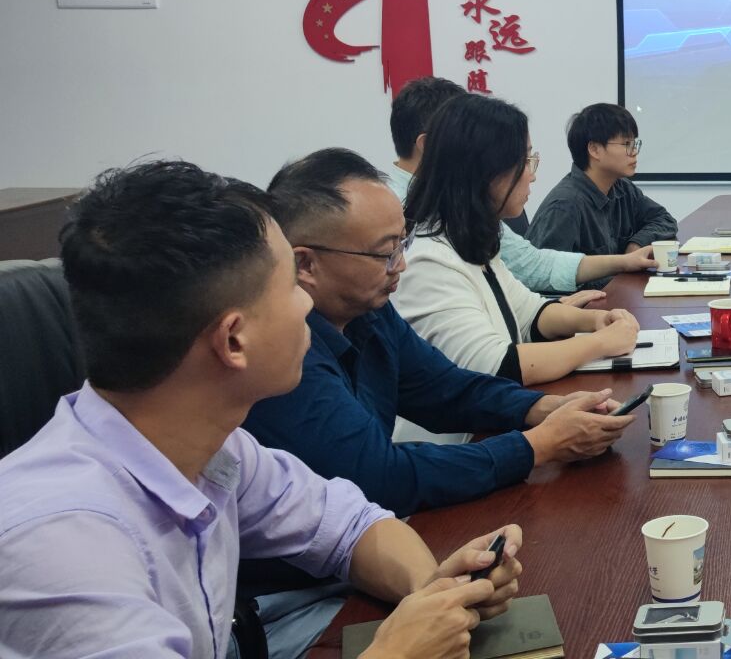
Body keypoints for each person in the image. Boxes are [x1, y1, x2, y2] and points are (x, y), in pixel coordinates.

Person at [0, 161, 522, 659]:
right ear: (233, 340)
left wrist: (432, 592)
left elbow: (352, 526)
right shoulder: (66, 550)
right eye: (289, 285)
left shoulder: (216, 447)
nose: (307, 303)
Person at [248, 147, 637, 518]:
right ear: (305, 265)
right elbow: (378, 476)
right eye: (385, 253)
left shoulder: (369, 311)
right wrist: (539, 445)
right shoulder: (285, 351)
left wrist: (542, 408)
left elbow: (443, 388)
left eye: (402, 242)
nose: (401, 264)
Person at [392, 95, 643, 386]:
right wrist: (600, 343)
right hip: (473, 415)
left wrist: (594, 321)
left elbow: (528, 312)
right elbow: (495, 364)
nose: (532, 176)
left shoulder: (471, 239)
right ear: (483, 171)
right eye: (524, 161)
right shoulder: (429, 259)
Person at [388, 78, 653, 294]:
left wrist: (624, 262)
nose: (531, 176)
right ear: (430, 145)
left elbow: (530, 267)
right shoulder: (402, 222)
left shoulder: (461, 209)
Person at [528, 103, 678, 262]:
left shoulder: (622, 188)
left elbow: (664, 220)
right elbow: (546, 272)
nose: (634, 152)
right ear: (594, 150)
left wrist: (636, 244)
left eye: (635, 144)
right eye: (626, 144)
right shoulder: (565, 206)